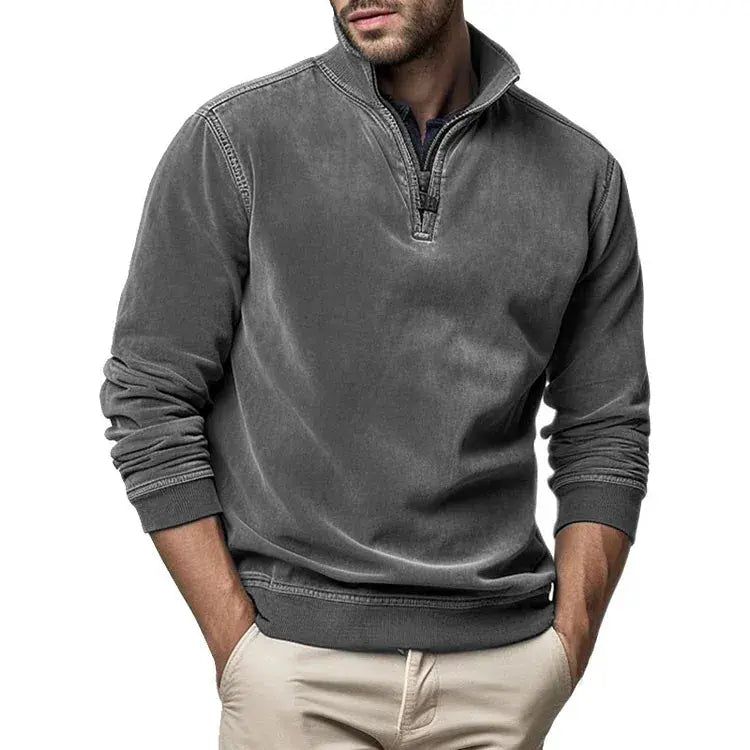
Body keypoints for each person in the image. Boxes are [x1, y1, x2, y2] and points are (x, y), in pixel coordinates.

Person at [99, 1, 650, 747]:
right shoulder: (235, 141)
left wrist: (566, 647)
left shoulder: (580, 174)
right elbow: (148, 395)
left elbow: (606, 427)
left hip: (500, 670)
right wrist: (238, 645)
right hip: (294, 666)